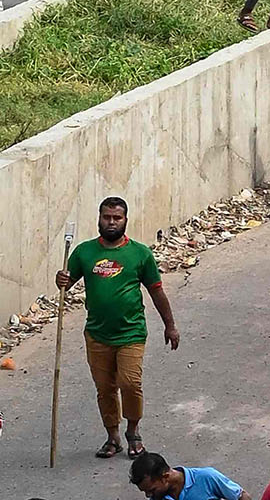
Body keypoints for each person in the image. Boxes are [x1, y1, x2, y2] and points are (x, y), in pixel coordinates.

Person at [56, 195, 179, 461]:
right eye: (106, 217)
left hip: (131, 333)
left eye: (117, 218)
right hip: (97, 334)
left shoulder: (139, 254)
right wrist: (61, 279)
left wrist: (170, 326)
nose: (111, 222)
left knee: (130, 382)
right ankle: (112, 436)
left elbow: (157, 292)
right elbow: (67, 283)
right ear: (99, 219)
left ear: (125, 220)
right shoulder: (84, 252)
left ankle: (133, 432)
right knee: (105, 388)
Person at [129, 454, 245, 500]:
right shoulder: (159, 497)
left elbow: (242, 497)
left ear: (165, 477)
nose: (148, 496)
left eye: (152, 490)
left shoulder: (207, 477)